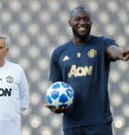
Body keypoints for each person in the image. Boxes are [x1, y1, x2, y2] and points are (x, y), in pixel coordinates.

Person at [47, 6, 129, 135]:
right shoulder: (59, 53)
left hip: (99, 123)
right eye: (78, 19)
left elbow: (112, 50)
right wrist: (56, 107)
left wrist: (120, 53)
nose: (82, 23)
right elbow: (56, 88)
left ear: (91, 22)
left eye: (86, 19)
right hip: (72, 124)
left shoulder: (101, 44)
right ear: (70, 22)